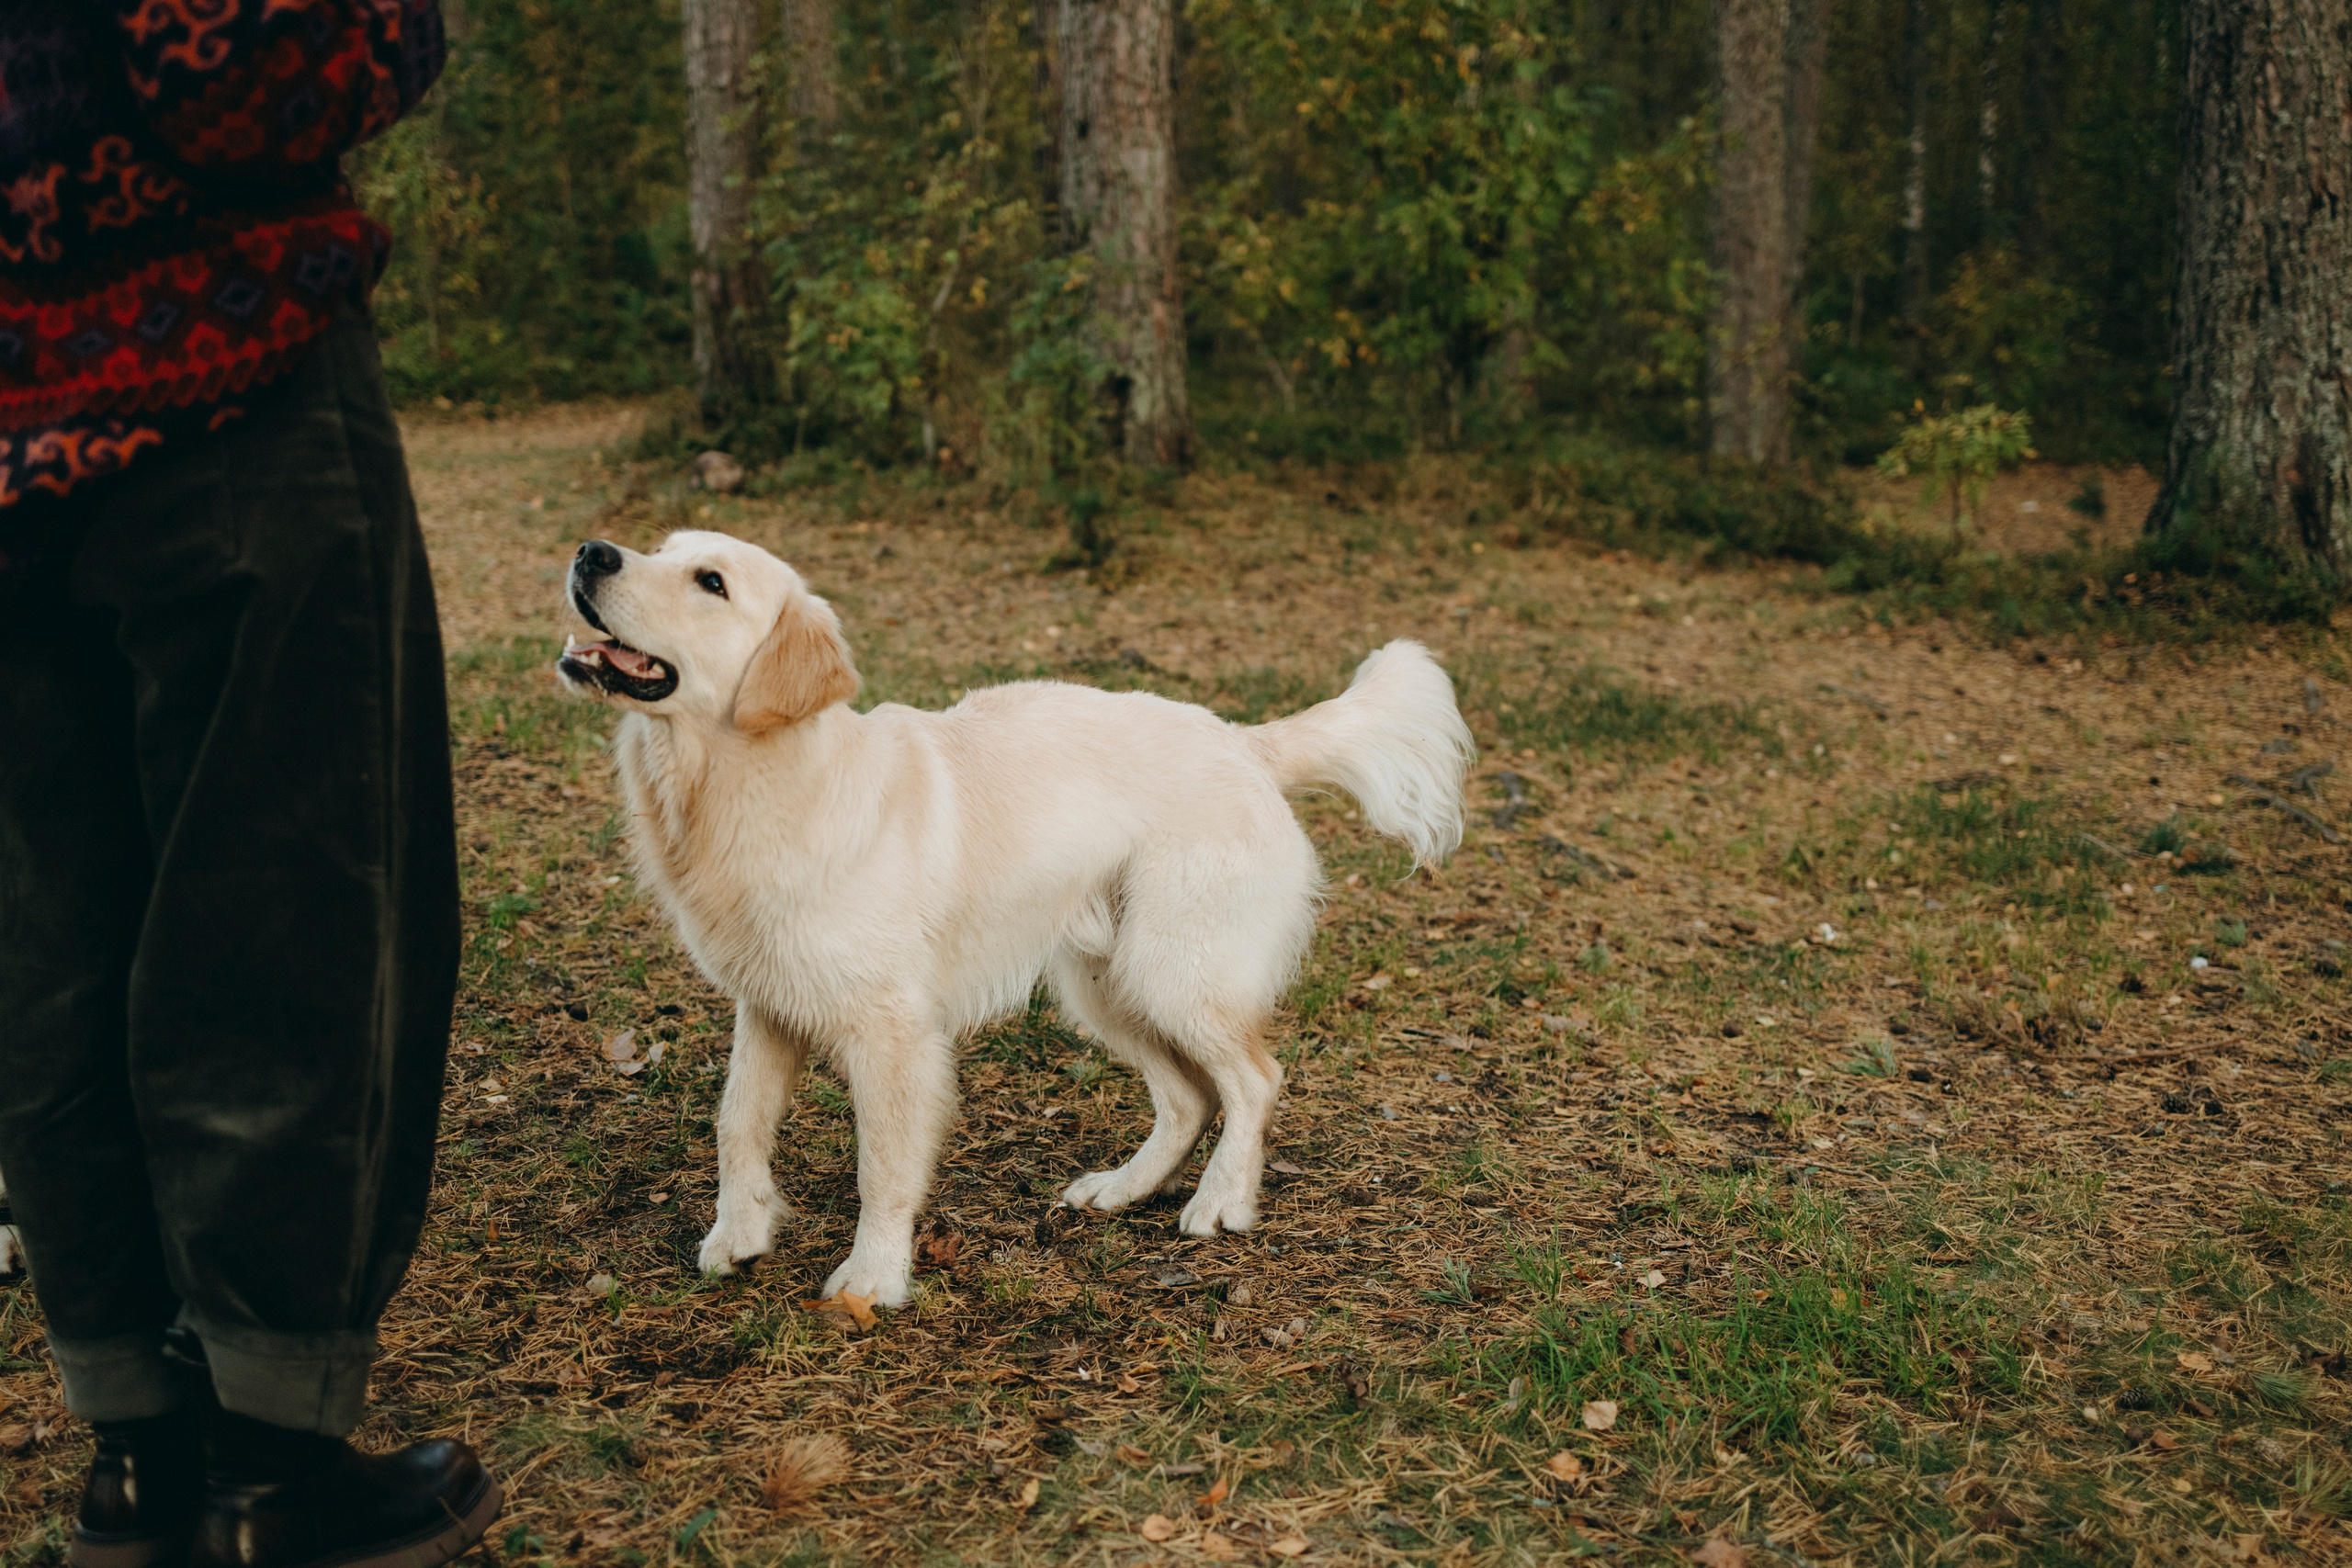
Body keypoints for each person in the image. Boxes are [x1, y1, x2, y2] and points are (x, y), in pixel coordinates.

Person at [0, 6, 499, 1567]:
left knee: (54, 935)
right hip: (218, 381)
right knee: (281, 911)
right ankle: (266, 1473)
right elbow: (241, 69)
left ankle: (137, 1460)